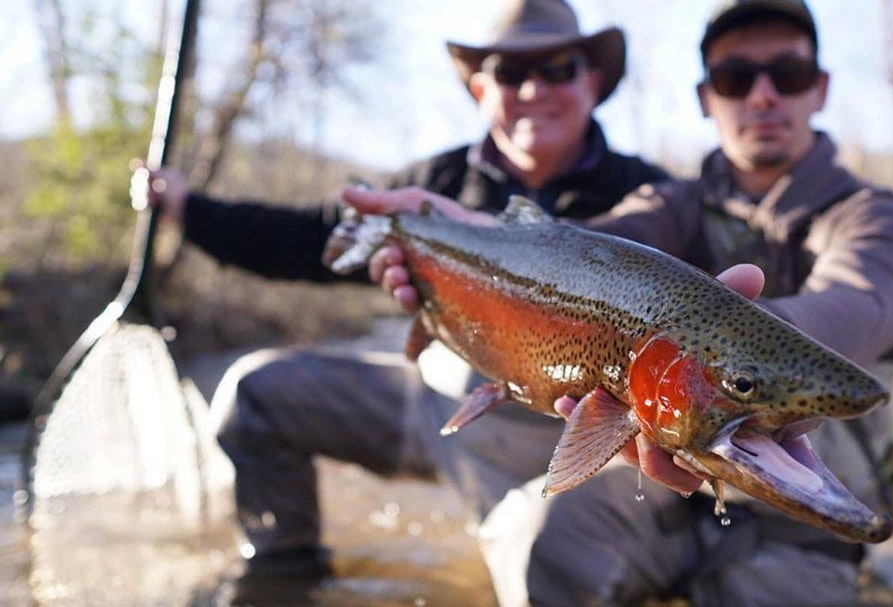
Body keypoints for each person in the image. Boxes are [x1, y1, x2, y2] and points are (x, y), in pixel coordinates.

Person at [348, 0, 893, 605]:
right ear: (708, 96)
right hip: (664, 498)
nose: (762, 96)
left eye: (787, 75)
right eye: (737, 79)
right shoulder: (669, 204)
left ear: (820, 89)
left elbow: (852, 312)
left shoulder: (882, 221)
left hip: (796, 536)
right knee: (538, 535)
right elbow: (577, 254)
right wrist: (476, 239)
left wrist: (720, 353)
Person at [140, 0, 669, 592]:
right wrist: (189, 211)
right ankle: (281, 582)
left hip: (569, 437)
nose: (533, 89)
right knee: (254, 392)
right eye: (510, 73)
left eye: (558, 69)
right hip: (437, 403)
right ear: (478, 89)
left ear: (591, 81)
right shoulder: (432, 187)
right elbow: (308, 237)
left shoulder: (651, 198)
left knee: (541, 558)